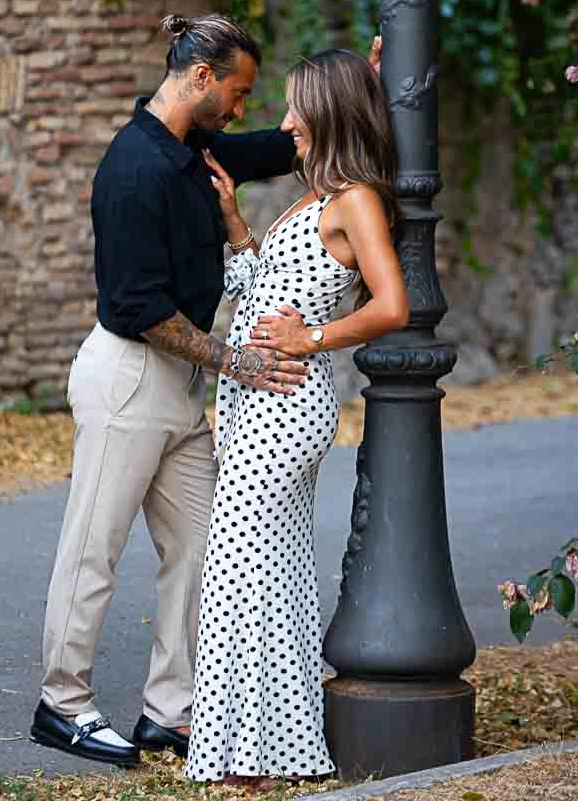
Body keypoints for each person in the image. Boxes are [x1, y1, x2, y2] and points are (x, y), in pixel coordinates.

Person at [30, 14, 308, 769]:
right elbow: (142, 309)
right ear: (201, 77)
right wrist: (238, 363)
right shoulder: (134, 169)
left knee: (200, 550)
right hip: (127, 377)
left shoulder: (195, 147)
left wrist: (370, 87)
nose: (242, 107)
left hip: (183, 390)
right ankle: (63, 704)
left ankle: (172, 710)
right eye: (239, 91)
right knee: (94, 548)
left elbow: (279, 149)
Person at [185, 48, 410, 787]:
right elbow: (265, 290)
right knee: (266, 573)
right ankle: (271, 751)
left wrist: (313, 337)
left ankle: (245, 758)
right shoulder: (319, 194)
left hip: (287, 403)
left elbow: (391, 305)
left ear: (329, 116)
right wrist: (235, 227)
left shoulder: (355, 201)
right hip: (257, 399)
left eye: (296, 112)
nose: (285, 124)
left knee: (241, 573)